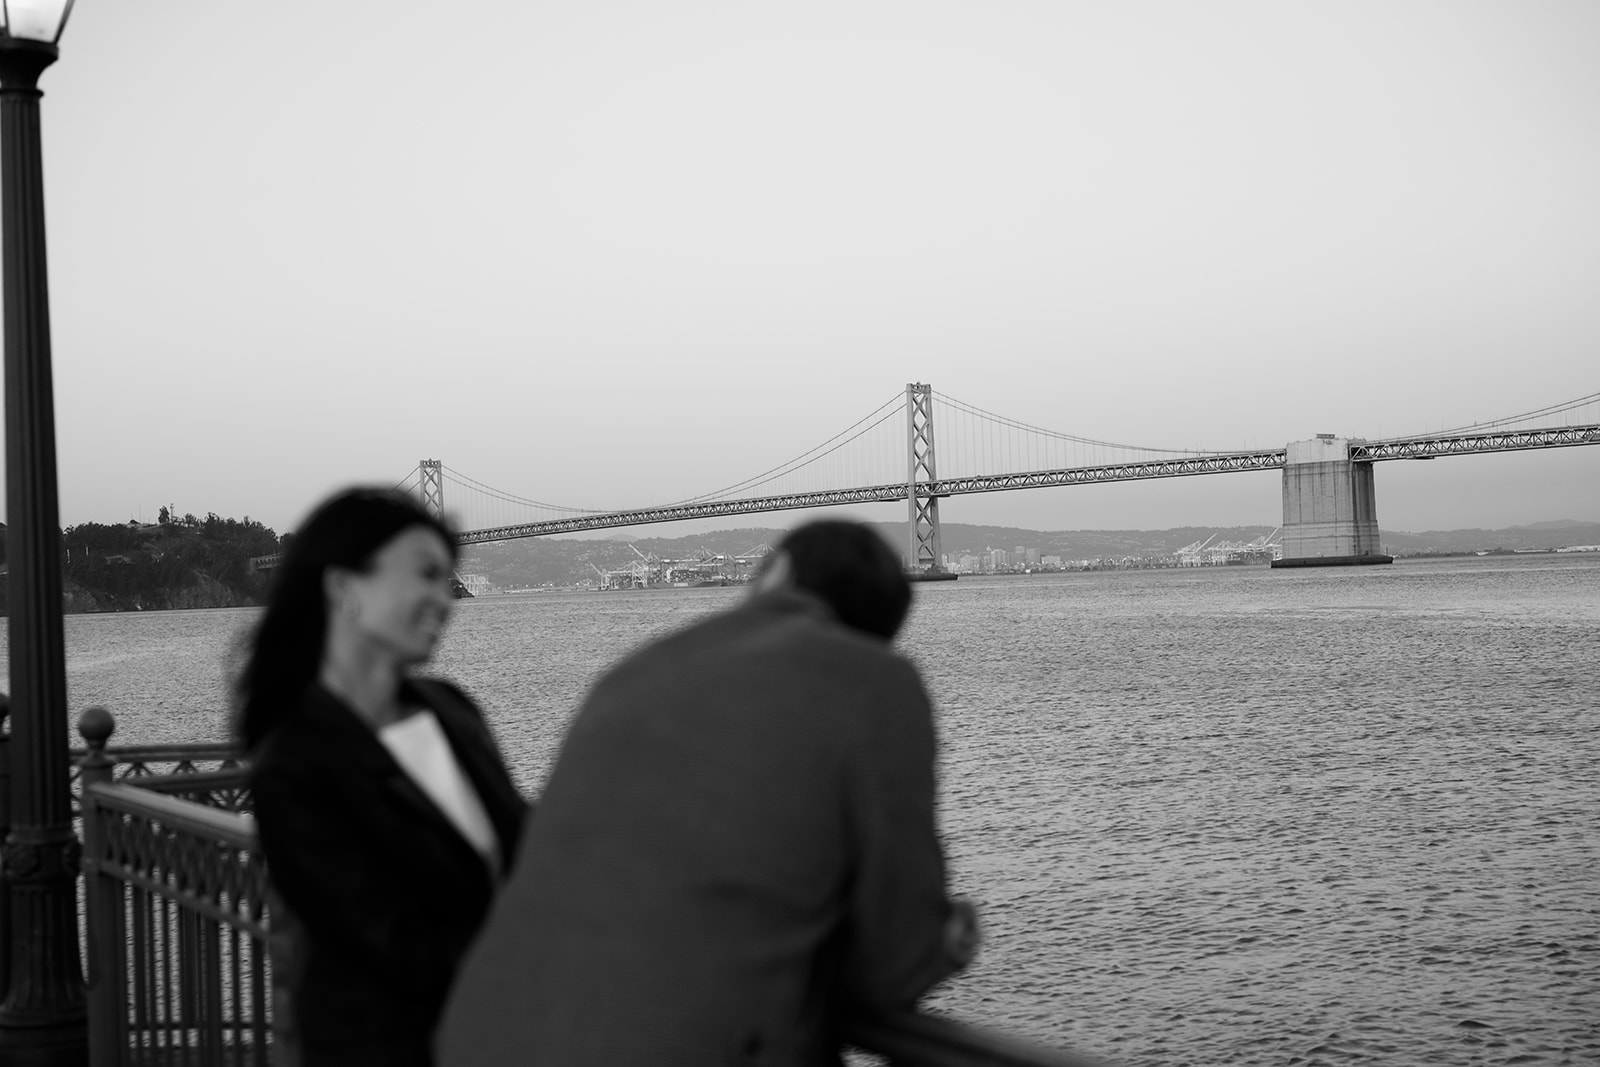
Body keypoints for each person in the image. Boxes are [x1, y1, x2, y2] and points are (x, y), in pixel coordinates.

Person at [437, 519, 977, 1066]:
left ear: (775, 571)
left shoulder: (640, 667)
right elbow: (896, 965)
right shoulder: (877, 681)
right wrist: (948, 935)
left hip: (478, 1036)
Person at [238, 488, 528, 1067]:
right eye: (425, 574)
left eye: (447, 579)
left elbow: (523, 849)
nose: (443, 599)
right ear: (344, 587)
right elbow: (390, 943)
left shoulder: (451, 710)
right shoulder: (294, 765)